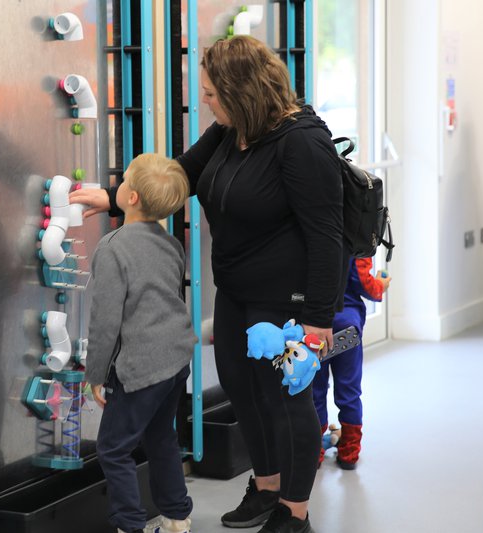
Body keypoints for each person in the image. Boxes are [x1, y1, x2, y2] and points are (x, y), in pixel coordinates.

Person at [72, 35, 345, 533]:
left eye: (212, 93)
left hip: (289, 301)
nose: (206, 101)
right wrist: (116, 197)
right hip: (238, 291)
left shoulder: (302, 142)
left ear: (242, 92)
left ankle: (295, 512)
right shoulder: (230, 131)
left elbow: (327, 236)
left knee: (287, 401)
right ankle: (265, 489)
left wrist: (318, 319)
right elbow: (179, 177)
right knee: (244, 391)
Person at [85, 153, 197, 533]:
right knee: (161, 435)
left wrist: (95, 375)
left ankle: (129, 524)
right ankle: (177, 516)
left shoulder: (113, 248)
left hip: (142, 367)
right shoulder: (170, 244)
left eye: (125, 178)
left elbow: (105, 322)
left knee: (113, 448)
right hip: (177, 359)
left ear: (131, 197)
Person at [313, 258, 391, 469]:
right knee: (349, 389)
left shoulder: (310, 234)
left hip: (314, 326)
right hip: (346, 327)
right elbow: (365, 284)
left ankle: (315, 453)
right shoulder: (355, 238)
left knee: (315, 391)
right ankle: (349, 452)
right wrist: (381, 285)